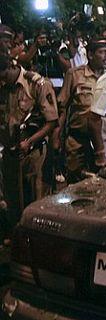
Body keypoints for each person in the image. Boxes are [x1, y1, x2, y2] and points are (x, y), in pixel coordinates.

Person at [0, 52, 58, 223]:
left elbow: (52, 121)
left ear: (11, 67)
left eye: (3, 76)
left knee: (36, 199)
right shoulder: (3, 86)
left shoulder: (36, 84)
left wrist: (30, 142)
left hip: (34, 152)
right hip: (10, 152)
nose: (2, 81)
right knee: (13, 199)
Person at [57, 37, 106, 183]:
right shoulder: (74, 75)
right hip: (78, 142)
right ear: (90, 55)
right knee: (76, 184)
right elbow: (62, 108)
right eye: (102, 52)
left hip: (102, 142)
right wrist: (56, 138)